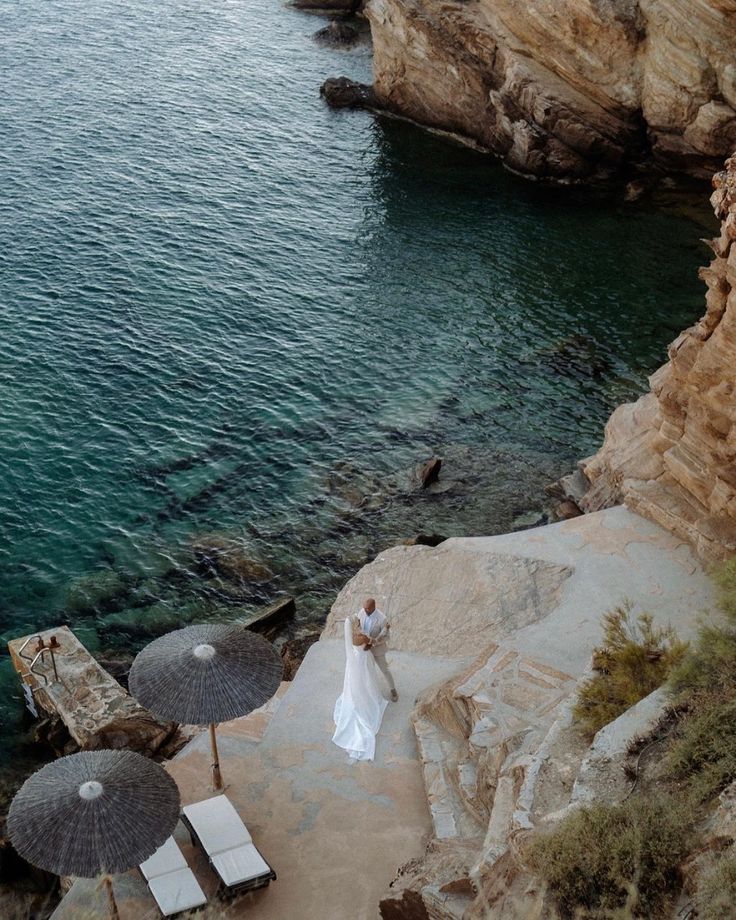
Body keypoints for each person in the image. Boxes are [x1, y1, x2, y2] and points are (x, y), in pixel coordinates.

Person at [332, 610, 388, 761]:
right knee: (367, 682)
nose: (359, 623)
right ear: (354, 626)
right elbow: (371, 642)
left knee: (355, 683)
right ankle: (366, 699)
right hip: (363, 662)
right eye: (357, 622)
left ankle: (359, 697)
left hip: (354, 662)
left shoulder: (352, 638)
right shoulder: (361, 636)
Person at [358, 597, 398, 702]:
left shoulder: (382, 618)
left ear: (373, 607)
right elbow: (359, 627)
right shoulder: (362, 612)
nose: (365, 610)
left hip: (378, 650)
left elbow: (386, 637)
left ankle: (393, 689)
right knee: (368, 670)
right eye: (364, 608)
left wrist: (373, 643)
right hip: (365, 649)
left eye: (367, 609)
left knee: (385, 670)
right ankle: (370, 691)